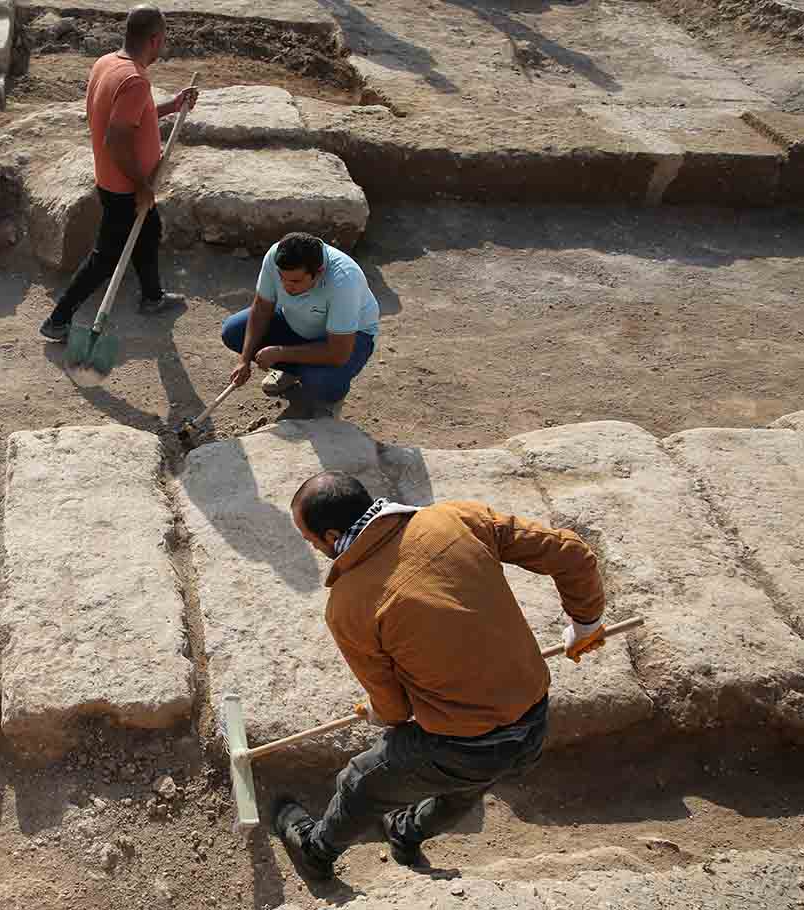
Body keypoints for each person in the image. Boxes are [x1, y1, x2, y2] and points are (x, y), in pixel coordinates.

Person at [273, 471, 609, 881]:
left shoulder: (349, 603)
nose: (312, 547)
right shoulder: (455, 518)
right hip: (534, 720)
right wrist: (586, 626)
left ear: (330, 536)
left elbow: (395, 712)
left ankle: (317, 851)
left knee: (361, 781)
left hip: (464, 745)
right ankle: (406, 832)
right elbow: (571, 554)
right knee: (466, 785)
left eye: (310, 540)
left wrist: (377, 713)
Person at [39, 4, 199, 342]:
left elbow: (133, 120)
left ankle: (153, 297)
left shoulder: (108, 64)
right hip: (123, 186)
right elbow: (117, 138)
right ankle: (57, 320)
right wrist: (141, 185)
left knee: (149, 229)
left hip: (115, 179)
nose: (164, 46)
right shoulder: (135, 80)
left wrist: (173, 105)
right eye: (164, 40)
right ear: (155, 39)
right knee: (105, 257)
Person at [222, 232, 379, 418]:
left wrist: (280, 352)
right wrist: (244, 360)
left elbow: (338, 354)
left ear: (319, 272)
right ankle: (295, 371)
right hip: (296, 320)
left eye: (296, 281)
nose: (287, 286)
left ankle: (329, 400)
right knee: (233, 331)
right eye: (282, 278)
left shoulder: (344, 280)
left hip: (349, 338)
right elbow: (262, 309)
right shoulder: (275, 256)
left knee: (322, 381)